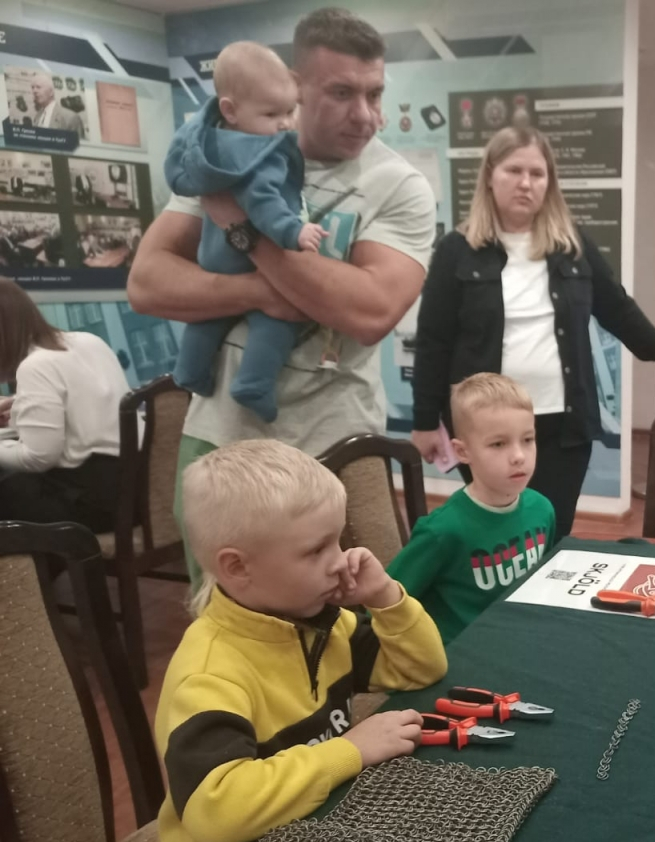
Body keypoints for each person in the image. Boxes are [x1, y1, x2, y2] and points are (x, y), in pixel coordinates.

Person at [127, 7, 436, 581]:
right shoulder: (225, 151)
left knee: (360, 615)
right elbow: (147, 283)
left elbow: (370, 311)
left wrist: (239, 226)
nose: (365, 114)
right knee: (223, 619)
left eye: (374, 93)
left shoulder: (398, 186)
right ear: (295, 86)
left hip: (337, 443)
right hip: (220, 444)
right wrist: (258, 292)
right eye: (341, 92)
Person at [145, 439, 447, 842]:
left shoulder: (323, 622)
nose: (340, 560)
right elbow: (216, 814)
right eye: (316, 550)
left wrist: (385, 597)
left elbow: (422, 669)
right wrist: (349, 751)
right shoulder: (209, 674)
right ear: (237, 567)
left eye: (338, 540)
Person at [410, 124, 655, 539]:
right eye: (514, 170)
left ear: (549, 183)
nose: (526, 183)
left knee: (552, 530)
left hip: (563, 425)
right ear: (490, 176)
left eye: (537, 174)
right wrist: (424, 420)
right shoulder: (456, 250)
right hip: (486, 425)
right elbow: (433, 340)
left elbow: (617, 309)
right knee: (497, 530)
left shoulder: (572, 246)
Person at [165, 41, 327, 423]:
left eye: (290, 111)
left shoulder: (209, 142)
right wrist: (293, 232)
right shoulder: (260, 153)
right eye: (272, 113)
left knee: (209, 317)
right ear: (230, 110)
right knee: (279, 319)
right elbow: (264, 202)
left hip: (213, 253)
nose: (285, 124)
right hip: (249, 258)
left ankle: (189, 371)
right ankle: (254, 383)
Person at [388, 373, 555, 644]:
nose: (518, 456)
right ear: (463, 452)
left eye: (527, 439)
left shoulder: (542, 510)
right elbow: (387, 601)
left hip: (520, 641)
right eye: (498, 444)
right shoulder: (441, 531)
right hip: (460, 653)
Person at [0, 278, 129, 532]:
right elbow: (82, 399)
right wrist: (19, 403)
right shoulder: (88, 340)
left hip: (92, 502)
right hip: (131, 490)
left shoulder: (35, 366)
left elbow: (38, 458)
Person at [28, 71, 84, 137]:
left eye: (38, 87)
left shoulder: (71, 117)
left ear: (51, 92)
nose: (34, 91)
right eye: (33, 88)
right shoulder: (38, 116)